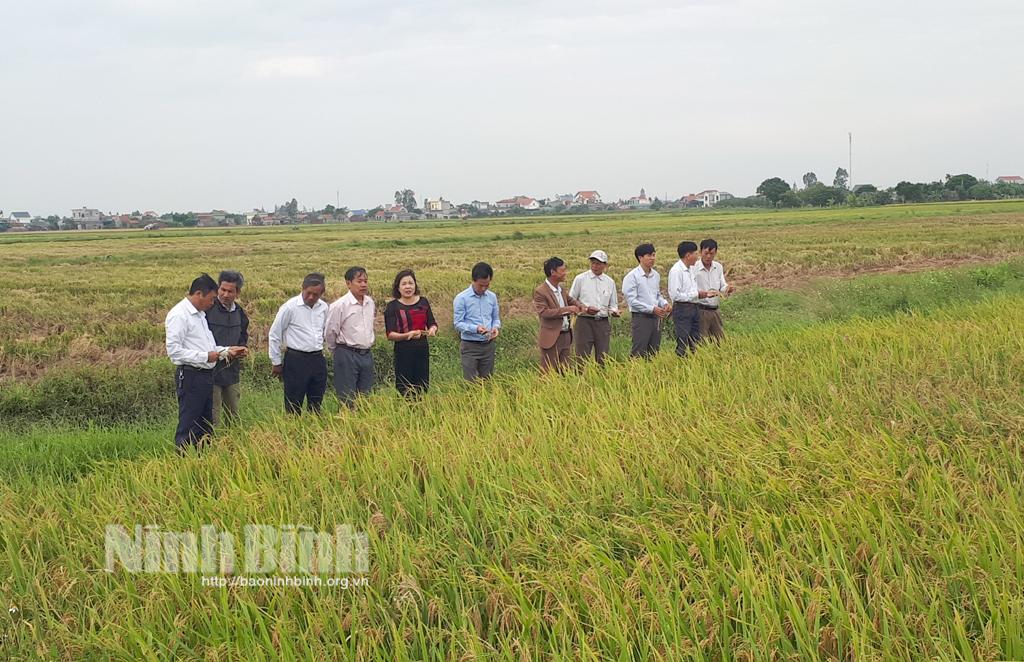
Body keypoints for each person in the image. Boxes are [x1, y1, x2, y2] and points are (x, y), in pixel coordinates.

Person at [165, 273, 247, 453]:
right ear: (199, 294)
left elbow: (208, 347)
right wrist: (206, 357)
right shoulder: (179, 315)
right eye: (211, 298)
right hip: (190, 375)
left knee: (206, 425)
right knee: (189, 423)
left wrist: (226, 351)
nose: (213, 303)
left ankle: (205, 461)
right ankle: (183, 463)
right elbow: (174, 352)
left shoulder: (200, 315)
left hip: (206, 375)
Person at [268, 273, 329, 414]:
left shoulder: (324, 307)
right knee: (293, 404)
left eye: (316, 294)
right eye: (308, 293)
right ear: (302, 288)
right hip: (296, 360)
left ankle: (314, 431)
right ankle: (293, 431)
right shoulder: (290, 307)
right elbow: (275, 334)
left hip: (317, 359)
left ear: (321, 293)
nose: (311, 297)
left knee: (316, 402)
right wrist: (276, 362)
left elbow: (325, 330)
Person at [325, 267, 377, 407]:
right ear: (348, 283)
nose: (363, 284)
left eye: (365, 281)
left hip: (366, 353)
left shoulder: (370, 302)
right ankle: (347, 424)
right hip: (346, 353)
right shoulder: (339, 305)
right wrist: (336, 352)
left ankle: (363, 424)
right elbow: (330, 332)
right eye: (359, 281)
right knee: (347, 397)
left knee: (365, 396)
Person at [384, 269, 438, 396]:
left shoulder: (423, 302)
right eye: (404, 284)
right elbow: (390, 334)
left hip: (422, 349)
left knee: (422, 385)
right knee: (404, 386)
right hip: (403, 351)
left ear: (415, 285)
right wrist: (407, 335)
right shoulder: (393, 306)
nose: (408, 286)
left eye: (410, 283)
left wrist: (432, 330)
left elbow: (432, 323)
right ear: (398, 287)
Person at [206, 270, 250, 425]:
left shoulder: (239, 312)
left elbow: (243, 334)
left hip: (232, 370)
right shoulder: (208, 310)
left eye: (230, 291)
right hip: (211, 370)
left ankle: (233, 445)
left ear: (237, 292)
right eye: (222, 290)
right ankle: (214, 447)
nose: (225, 294)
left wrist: (242, 348)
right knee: (213, 417)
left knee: (233, 416)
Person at [534, 256, 587, 373]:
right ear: (553, 272)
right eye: (562, 270)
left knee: (565, 371)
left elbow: (570, 300)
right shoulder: (540, 291)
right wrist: (567, 310)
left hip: (566, 335)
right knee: (548, 373)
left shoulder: (561, 288)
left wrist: (581, 306)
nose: (565, 273)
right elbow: (543, 312)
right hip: (551, 337)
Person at [569, 249, 620, 365]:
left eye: (598, 263)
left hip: (602, 322)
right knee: (581, 357)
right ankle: (579, 381)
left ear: (605, 265)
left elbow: (613, 305)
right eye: (593, 263)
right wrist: (585, 309)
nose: (595, 266)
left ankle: (600, 380)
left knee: (603, 357)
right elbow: (571, 300)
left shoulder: (610, 282)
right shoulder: (580, 279)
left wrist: (614, 312)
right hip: (584, 322)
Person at [453, 262, 501, 381]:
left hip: (488, 346)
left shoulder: (492, 297)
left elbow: (496, 318)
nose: (483, 288)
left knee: (487, 380)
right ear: (473, 280)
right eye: (480, 285)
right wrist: (476, 329)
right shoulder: (461, 298)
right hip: (470, 346)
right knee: (471, 383)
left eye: (487, 285)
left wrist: (495, 328)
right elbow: (458, 323)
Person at [622, 243, 671, 358]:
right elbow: (632, 301)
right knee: (639, 351)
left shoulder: (656, 275)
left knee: (654, 351)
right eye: (649, 255)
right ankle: (635, 374)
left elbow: (657, 295)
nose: (652, 258)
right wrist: (652, 309)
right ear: (640, 257)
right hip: (641, 318)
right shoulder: (632, 276)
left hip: (656, 318)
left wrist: (664, 304)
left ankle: (651, 374)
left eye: (654, 255)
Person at [692, 238, 735, 342]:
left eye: (712, 253)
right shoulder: (693, 268)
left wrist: (727, 289)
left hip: (715, 310)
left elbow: (722, 285)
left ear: (715, 253)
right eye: (706, 253)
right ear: (700, 252)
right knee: (701, 342)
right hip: (700, 310)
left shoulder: (718, 267)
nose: (708, 256)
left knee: (720, 341)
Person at [668, 242, 704, 356]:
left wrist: (698, 295)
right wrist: (696, 294)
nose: (697, 257)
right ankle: (681, 365)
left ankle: (694, 364)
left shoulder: (691, 269)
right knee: (683, 340)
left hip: (694, 307)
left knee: (696, 340)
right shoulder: (676, 271)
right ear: (688, 255)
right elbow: (675, 295)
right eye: (695, 254)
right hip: (682, 309)